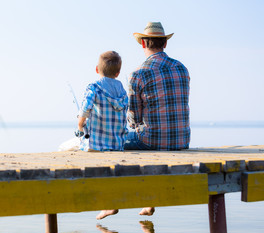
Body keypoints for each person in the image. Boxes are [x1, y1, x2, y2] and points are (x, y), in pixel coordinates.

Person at [96, 22, 190, 220]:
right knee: (147, 141)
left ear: (143, 44)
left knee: (111, 145)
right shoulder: (182, 68)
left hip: (153, 139)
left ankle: (110, 202)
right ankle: (148, 201)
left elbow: (134, 119)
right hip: (181, 140)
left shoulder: (138, 74)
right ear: (164, 44)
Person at [77, 51, 128, 152]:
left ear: (97, 69)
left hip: (95, 145)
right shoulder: (123, 91)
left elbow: (86, 109)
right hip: (117, 145)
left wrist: (80, 125)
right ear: (117, 73)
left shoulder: (94, 88)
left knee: (69, 145)